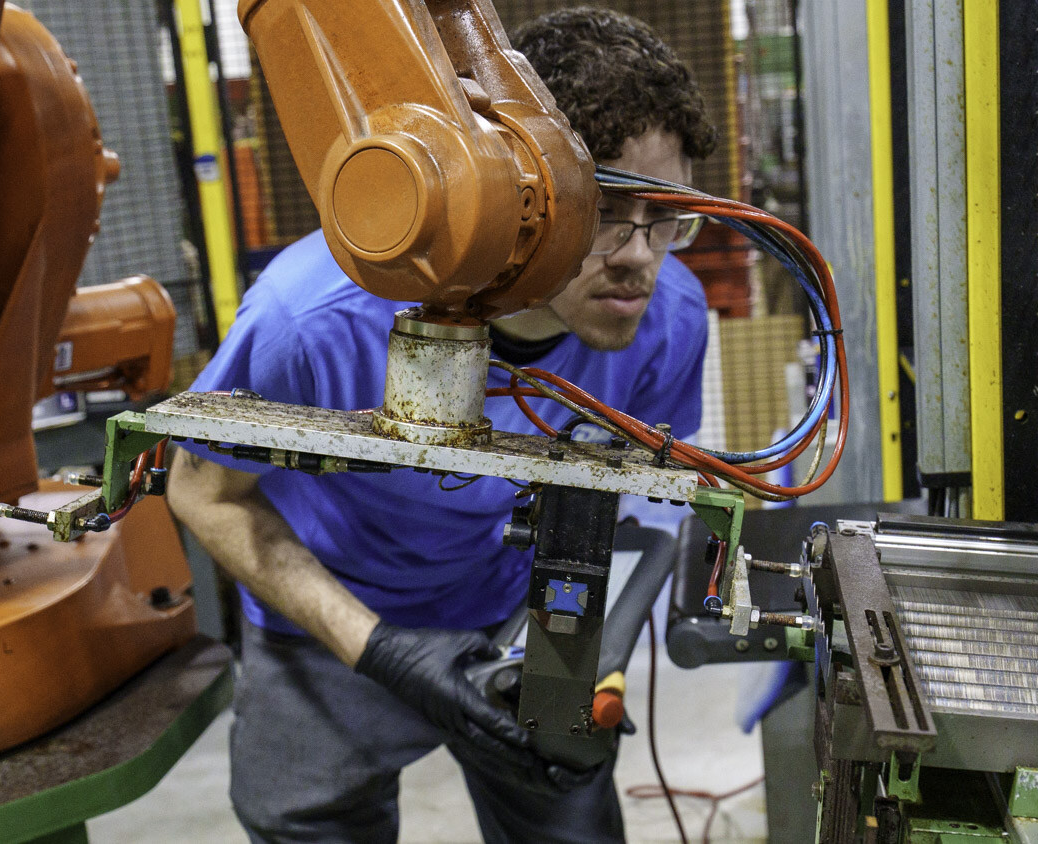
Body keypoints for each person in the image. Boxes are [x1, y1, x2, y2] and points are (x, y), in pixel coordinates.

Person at [167, 8, 718, 843]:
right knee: (307, 824)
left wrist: (585, 647)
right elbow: (203, 495)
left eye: (667, 215)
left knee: (568, 819)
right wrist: (380, 650)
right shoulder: (309, 321)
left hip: (523, 603)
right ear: (531, 191)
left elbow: (643, 500)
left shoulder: (668, 316)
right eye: (606, 208)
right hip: (330, 616)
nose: (641, 256)